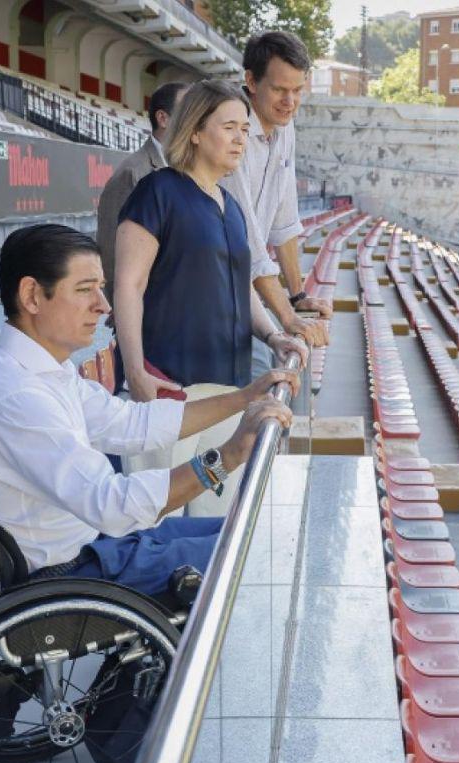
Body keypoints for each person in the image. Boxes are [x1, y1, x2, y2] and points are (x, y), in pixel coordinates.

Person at [0, 223, 296, 595]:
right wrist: (226, 457)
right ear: (31, 296)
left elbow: (131, 424)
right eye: (84, 290)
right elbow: (112, 504)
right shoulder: (19, 397)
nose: (104, 306)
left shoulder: (43, 371)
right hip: (71, 569)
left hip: (93, 542)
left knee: (247, 528)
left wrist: (244, 398)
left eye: (101, 288)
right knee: (257, 551)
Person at [113, 79, 308, 517]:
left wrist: (274, 336)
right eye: (229, 127)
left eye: (244, 128)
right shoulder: (157, 191)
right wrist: (136, 372)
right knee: (155, 516)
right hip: (170, 390)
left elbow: (240, 287)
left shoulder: (230, 205)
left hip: (226, 391)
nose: (241, 138)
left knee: (212, 520)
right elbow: (128, 285)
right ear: (196, 132)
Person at [223, 31, 333, 380]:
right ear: (251, 81)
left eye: (298, 90)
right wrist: (287, 316)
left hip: (245, 286)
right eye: (280, 89)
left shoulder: (285, 127)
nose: (290, 101)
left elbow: (284, 220)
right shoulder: (230, 131)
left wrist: (297, 293)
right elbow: (248, 240)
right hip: (211, 287)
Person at [96, 81, 187, 301]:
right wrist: (123, 307)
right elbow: (111, 248)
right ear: (163, 118)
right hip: (145, 310)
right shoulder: (132, 173)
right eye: (187, 110)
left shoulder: (190, 169)